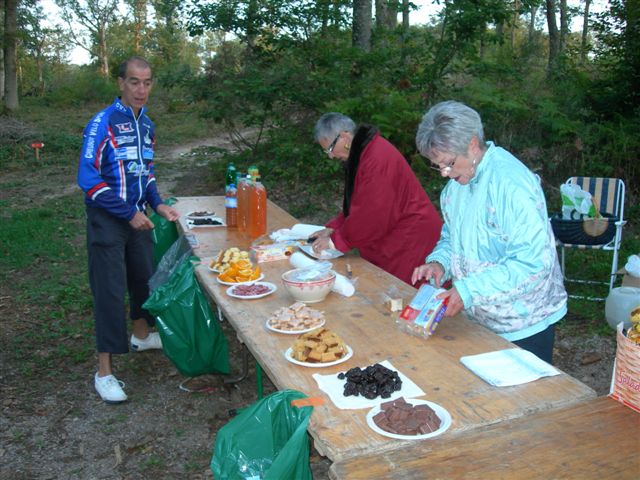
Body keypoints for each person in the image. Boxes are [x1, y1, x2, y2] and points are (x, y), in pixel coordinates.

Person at [411, 100, 567, 363]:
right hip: (480, 318)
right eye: (437, 166)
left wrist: (468, 291)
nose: (444, 174)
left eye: (448, 163)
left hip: (522, 323)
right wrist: (440, 263)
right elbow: (453, 238)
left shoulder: (510, 185)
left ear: (472, 144)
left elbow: (532, 263)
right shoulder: (456, 188)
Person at [77, 56, 179, 404]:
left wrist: (158, 203)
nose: (141, 89)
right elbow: (87, 177)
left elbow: (145, 172)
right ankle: (103, 372)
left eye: (147, 82)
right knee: (109, 291)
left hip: (137, 215)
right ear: (120, 83)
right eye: (134, 82)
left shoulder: (146, 124)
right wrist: (127, 213)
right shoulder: (102, 122)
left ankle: (141, 335)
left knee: (144, 278)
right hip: (108, 218)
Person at [311, 113, 442, 285]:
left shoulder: (376, 158)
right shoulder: (363, 154)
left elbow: (371, 216)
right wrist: (333, 228)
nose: (331, 156)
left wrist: (336, 241)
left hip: (411, 239)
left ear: (344, 137)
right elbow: (359, 203)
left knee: (407, 298)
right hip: (398, 236)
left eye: (330, 149)